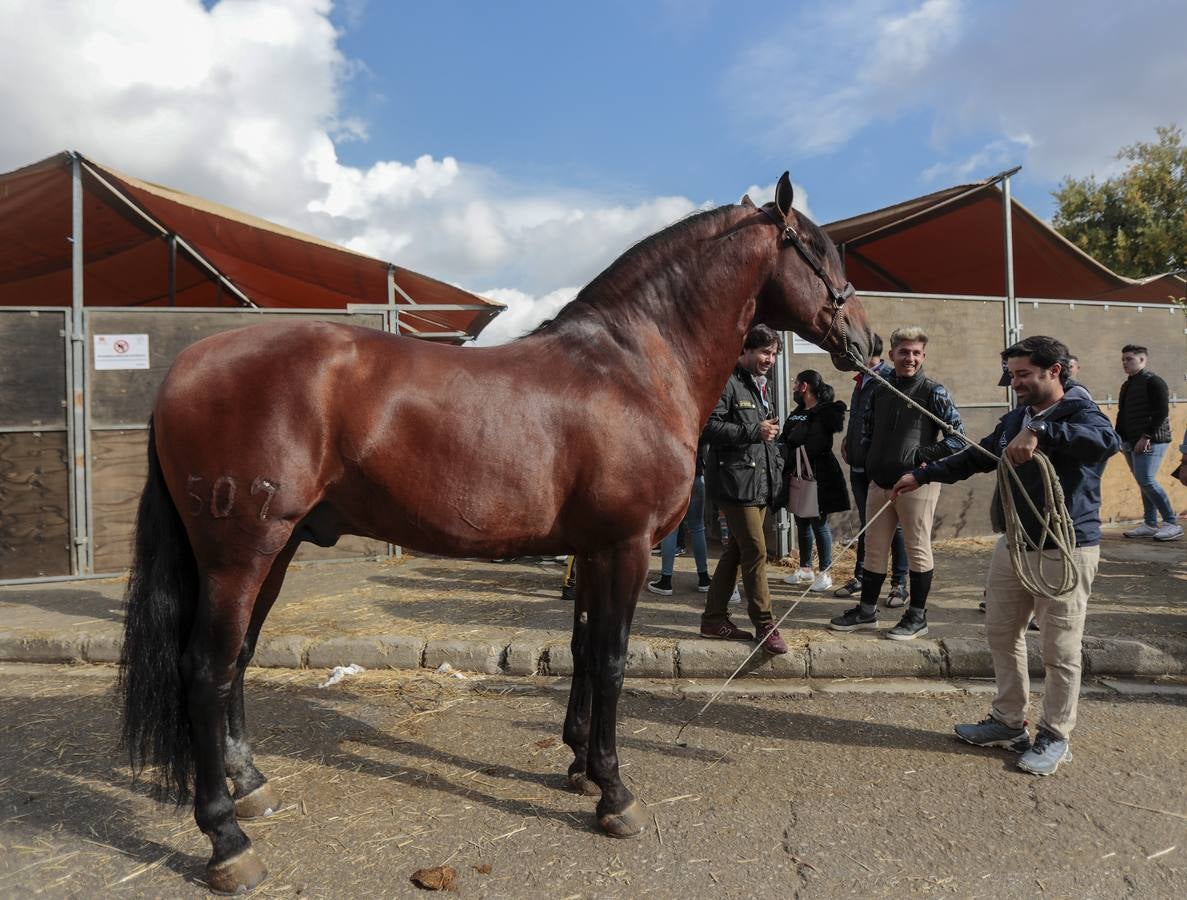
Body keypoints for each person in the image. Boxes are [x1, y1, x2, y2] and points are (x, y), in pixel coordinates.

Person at [894, 335, 1120, 775]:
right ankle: (1008, 721)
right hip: (1016, 543)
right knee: (1001, 632)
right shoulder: (1018, 416)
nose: (1013, 382)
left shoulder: (1083, 413)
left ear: (1053, 372)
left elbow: (1104, 443)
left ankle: (1055, 735)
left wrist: (1040, 432)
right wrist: (921, 474)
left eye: (1022, 375)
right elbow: (977, 455)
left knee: (1060, 649)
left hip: (1066, 547)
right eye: (1012, 374)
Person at [829, 325, 964, 640]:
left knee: (917, 548)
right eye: (904, 352)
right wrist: (865, 455)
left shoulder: (934, 391)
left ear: (923, 356)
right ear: (891, 354)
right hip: (880, 481)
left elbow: (958, 439)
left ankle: (917, 616)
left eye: (917, 353)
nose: (910, 358)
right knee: (875, 549)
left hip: (916, 483)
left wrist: (920, 458)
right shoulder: (878, 388)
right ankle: (866, 611)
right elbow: (868, 427)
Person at [700, 324, 788, 654]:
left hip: (758, 483)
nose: (770, 359)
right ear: (746, 350)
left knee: (737, 551)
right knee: (755, 551)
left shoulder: (756, 385)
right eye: (765, 352)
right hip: (735, 483)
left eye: (775, 354)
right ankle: (765, 624)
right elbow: (707, 427)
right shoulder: (726, 381)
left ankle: (713, 619)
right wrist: (755, 430)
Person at [837, 334, 910, 607]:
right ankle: (861, 578)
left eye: (849, 352)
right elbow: (862, 417)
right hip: (858, 464)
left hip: (880, 468)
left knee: (895, 528)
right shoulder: (861, 379)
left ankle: (899, 584)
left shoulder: (889, 379)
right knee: (867, 525)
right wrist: (849, 439)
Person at [780, 369, 850, 593]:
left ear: (804, 386)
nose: (793, 388)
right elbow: (786, 437)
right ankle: (805, 568)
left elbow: (815, 444)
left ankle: (825, 572)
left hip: (819, 475)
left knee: (819, 523)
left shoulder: (824, 412)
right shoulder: (798, 411)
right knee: (801, 519)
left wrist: (790, 448)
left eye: (796, 383)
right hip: (797, 472)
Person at [1116, 344, 1182, 541]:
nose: (1125, 363)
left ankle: (1172, 523)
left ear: (1142, 360)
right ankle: (1150, 524)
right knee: (1142, 482)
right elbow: (1122, 413)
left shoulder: (1154, 381)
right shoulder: (1127, 384)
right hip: (1130, 440)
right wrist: (1119, 437)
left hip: (1152, 440)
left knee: (1147, 480)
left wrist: (1146, 437)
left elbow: (1161, 412)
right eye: (1123, 360)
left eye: (1129, 359)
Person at [648, 438, 711, 595]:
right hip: (697, 475)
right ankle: (704, 578)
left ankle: (666, 580)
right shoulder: (698, 420)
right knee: (698, 527)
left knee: (672, 527)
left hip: (674, 477)